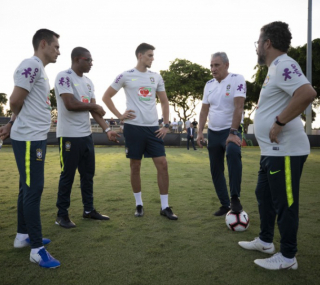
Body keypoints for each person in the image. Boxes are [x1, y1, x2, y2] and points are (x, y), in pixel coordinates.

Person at [238, 21, 317, 270]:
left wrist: (279, 122)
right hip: (271, 151)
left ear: (267, 43)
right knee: (263, 196)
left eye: (258, 42)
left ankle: (288, 256)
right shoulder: (274, 69)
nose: (257, 48)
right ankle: (265, 241)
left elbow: (307, 93)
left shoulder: (285, 64)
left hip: (286, 151)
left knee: (285, 203)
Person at [0, 29, 61, 268]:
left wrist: (11, 123)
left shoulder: (40, 70)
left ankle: (22, 236)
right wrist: (15, 123)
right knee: (34, 189)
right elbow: (15, 101)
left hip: (31, 137)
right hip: (28, 140)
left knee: (26, 189)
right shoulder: (32, 64)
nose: (58, 51)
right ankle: (36, 249)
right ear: (43, 44)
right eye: (55, 46)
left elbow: (23, 106)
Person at [102, 43, 178, 220]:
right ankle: (139, 204)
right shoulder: (125, 75)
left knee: (163, 164)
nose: (152, 58)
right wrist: (120, 115)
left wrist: (166, 125)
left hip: (153, 129)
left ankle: (165, 207)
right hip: (133, 129)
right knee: (135, 166)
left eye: (153, 55)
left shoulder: (156, 77)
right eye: (150, 55)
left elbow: (165, 102)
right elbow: (106, 97)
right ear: (140, 56)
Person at [54, 47, 120, 229]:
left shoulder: (89, 82)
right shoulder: (64, 76)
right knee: (67, 176)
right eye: (88, 60)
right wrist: (95, 106)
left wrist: (107, 129)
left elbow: (94, 110)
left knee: (88, 175)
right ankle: (62, 215)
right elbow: (69, 104)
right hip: (68, 135)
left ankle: (89, 210)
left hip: (86, 136)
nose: (91, 63)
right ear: (77, 59)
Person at [197, 52, 246, 216]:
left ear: (226, 65)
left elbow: (239, 107)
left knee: (233, 154)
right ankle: (225, 205)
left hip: (230, 130)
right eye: (211, 65)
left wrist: (233, 132)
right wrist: (199, 132)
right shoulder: (208, 84)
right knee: (216, 170)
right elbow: (204, 110)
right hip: (213, 133)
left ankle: (234, 198)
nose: (213, 68)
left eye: (216, 65)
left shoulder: (237, 79)